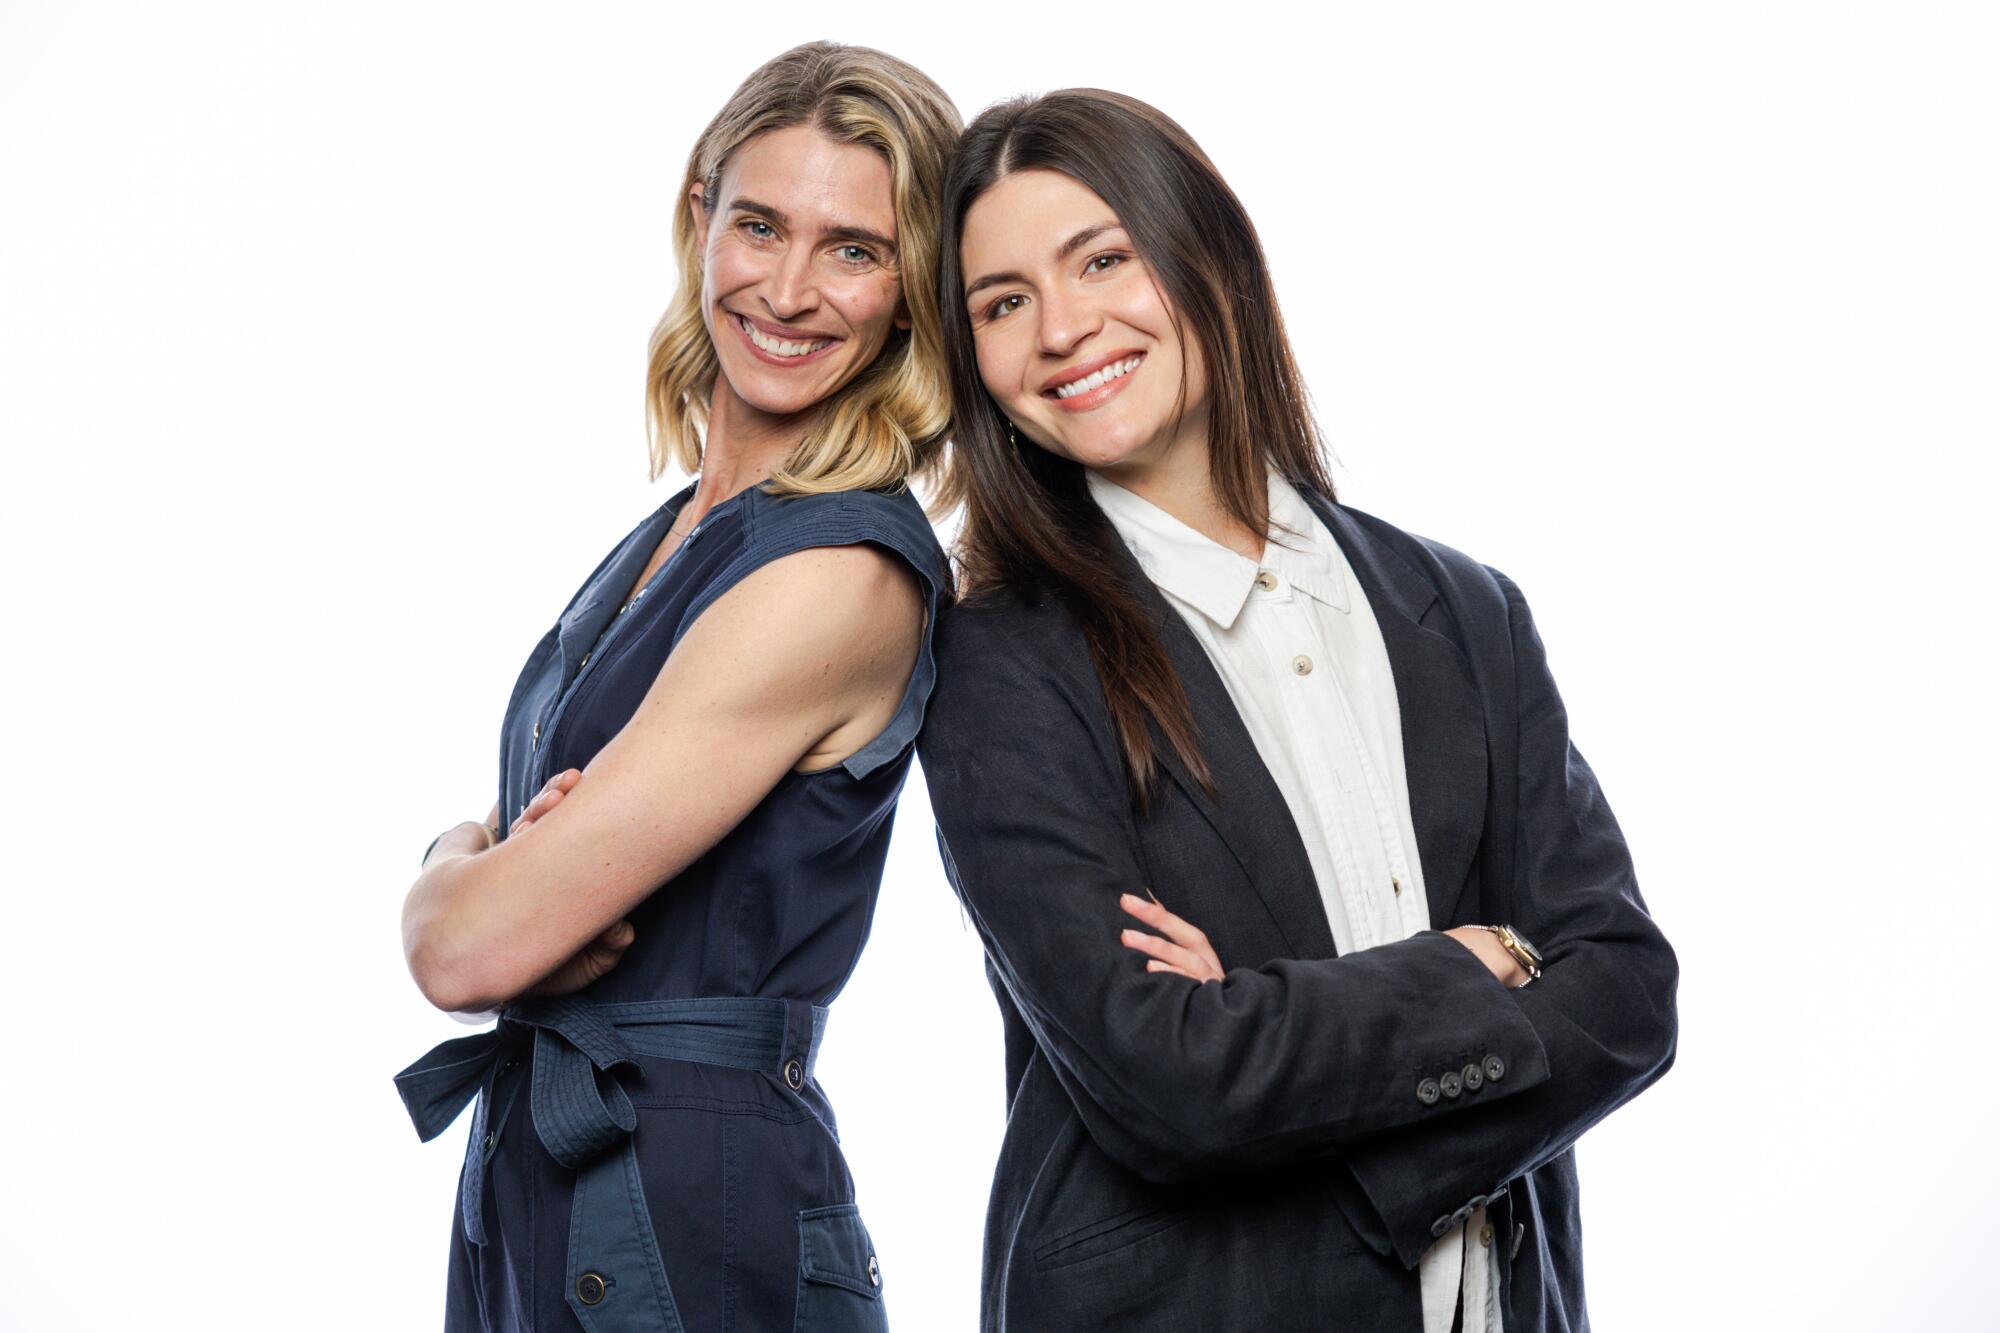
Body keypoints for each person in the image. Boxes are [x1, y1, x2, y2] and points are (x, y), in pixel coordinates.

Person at [918, 88, 1679, 1332]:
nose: (1060, 328)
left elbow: (1626, 994)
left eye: (1101, 259)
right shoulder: (998, 661)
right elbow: (1160, 1080)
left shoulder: (1466, 609)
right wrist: (1466, 968)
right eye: (1002, 303)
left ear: (1206, 258)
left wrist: (1278, 1040)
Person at [394, 43, 959, 1333]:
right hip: (540, 1170)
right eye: (759, 224)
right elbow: (497, 920)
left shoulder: (839, 574)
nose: (791, 288)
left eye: (855, 249)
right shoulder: (681, 530)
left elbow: (467, 948)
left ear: (909, 289)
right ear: (698, 222)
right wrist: (478, 861)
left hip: (684, 1209)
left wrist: (447, 873)